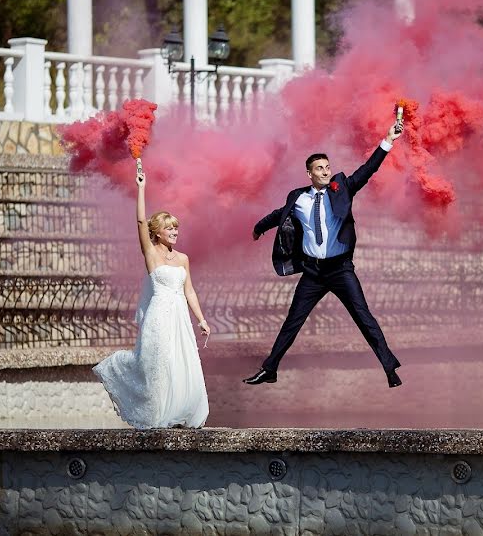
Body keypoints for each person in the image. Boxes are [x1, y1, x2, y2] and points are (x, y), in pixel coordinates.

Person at [243, 121, 405, 388]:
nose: (326, 171)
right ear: (309, 173)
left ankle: (389, 368)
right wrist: (259, 228)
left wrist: (388, 140)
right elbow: (278, 215)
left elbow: (368, 170)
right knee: (292, 321)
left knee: (364, 317)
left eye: (327, 167)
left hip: (340, 269)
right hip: (313, 272)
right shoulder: (298, 197)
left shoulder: (342, 188)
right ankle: (269, 369)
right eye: (320, 168)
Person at [93, 161, 210, 428]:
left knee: (180, 361)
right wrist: (141, 188)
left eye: (176, 228)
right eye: (169, 228)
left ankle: (180, 411)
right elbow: (140, 220)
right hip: (159, 314)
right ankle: (154, 410)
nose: (175, 232)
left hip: (180, 315)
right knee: (156, 362)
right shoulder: (151, 253)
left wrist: (201, 319)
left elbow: (189, 290)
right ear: (157, 232)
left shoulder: (183, 259)